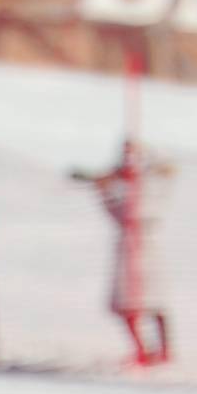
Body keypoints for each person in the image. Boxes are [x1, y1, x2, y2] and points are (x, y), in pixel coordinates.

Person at [70, 138, 173, 367]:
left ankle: (165, 352)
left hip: (146, 245)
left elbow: (141, 210)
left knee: (154, 299)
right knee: (125, 302)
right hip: (126, 248)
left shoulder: (153, 182)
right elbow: (117, 213)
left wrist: (115, 186)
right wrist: (105, 190)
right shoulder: (121, 182)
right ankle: (142, 351)